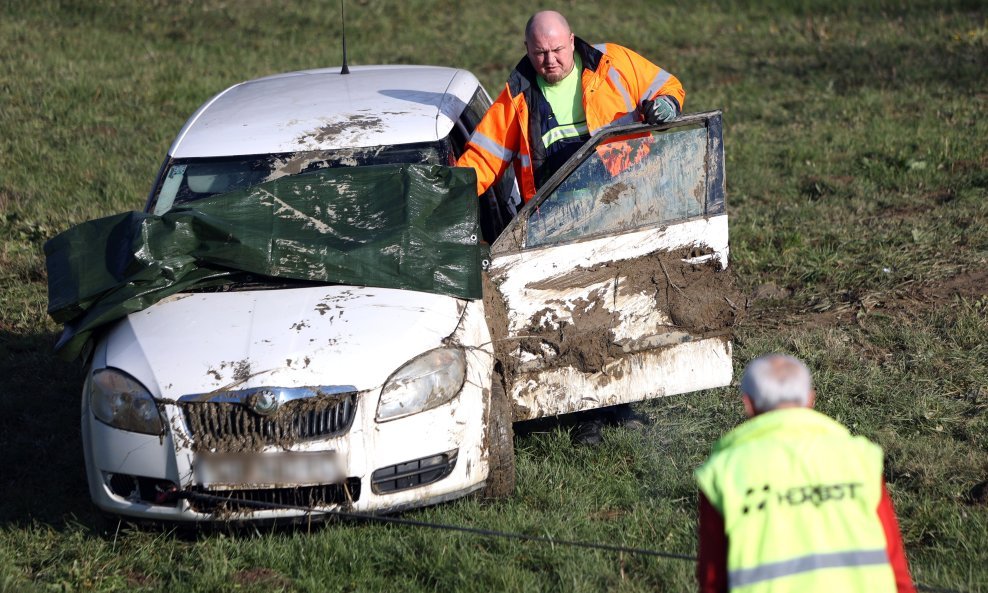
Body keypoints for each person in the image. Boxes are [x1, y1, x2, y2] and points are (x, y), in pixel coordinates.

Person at [457, 10, 686, 445]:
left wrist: (667, 105)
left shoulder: (613, 62)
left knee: (624, 307)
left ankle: (625, 404)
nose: (550, 61)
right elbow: (483, 159)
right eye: (540, 52)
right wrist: (444, 193)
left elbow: (666, 86)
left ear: (572, 41)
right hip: (558, 225)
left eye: (558, 50)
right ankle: (588, 415)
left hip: (624, 210)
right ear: (527, 50)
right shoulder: (518, 95)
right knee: (579, 316)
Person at [693, 354, 915, 593]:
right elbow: (896, 569)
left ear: (748, 404)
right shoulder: (857, 459)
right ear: (810, 400)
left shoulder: (726, 471)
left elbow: (712, 581)